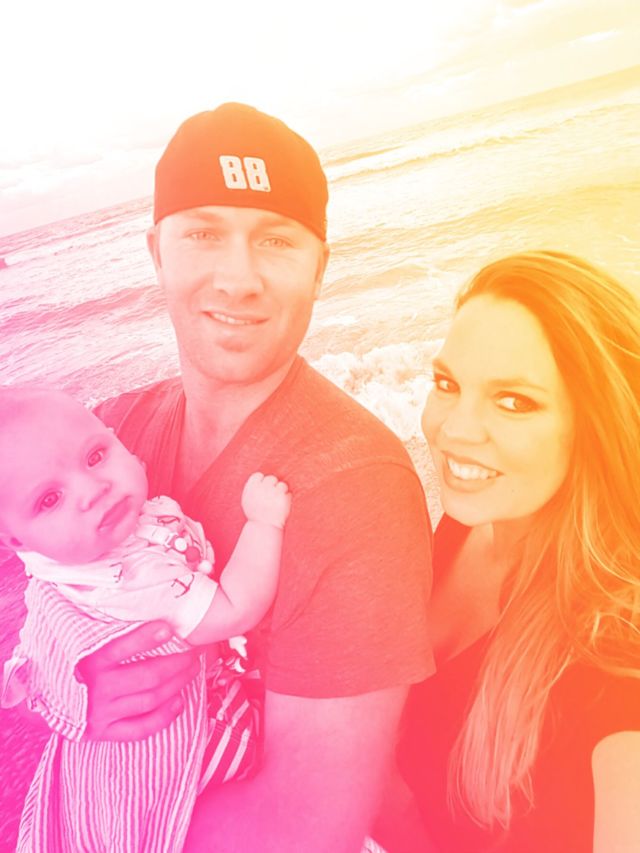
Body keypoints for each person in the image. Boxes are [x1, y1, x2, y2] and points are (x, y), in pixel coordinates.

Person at [60, 103, 434, 852]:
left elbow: (305, 825)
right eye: (203, 233)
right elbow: (47, 628)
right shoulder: (110, 436)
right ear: (156, 253)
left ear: (319, 269)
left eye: (276, 240)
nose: (238, 280)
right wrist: (68, 686)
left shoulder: (355, 488)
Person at [387, 251, 640, 852]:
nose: (455, 430)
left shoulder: (614, 651)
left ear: (596, 422)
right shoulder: (462, 527)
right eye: (447, 385)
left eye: (514, 401)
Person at [0, 386, 291, 851]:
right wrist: (264, 523)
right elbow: (235, 608)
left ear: (118, 439)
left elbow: (23, 676)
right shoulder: (129, 576)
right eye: (49, 500)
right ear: (16, 541)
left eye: (95, 456)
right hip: (189, 756)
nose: (92, 491)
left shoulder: (57, 573)